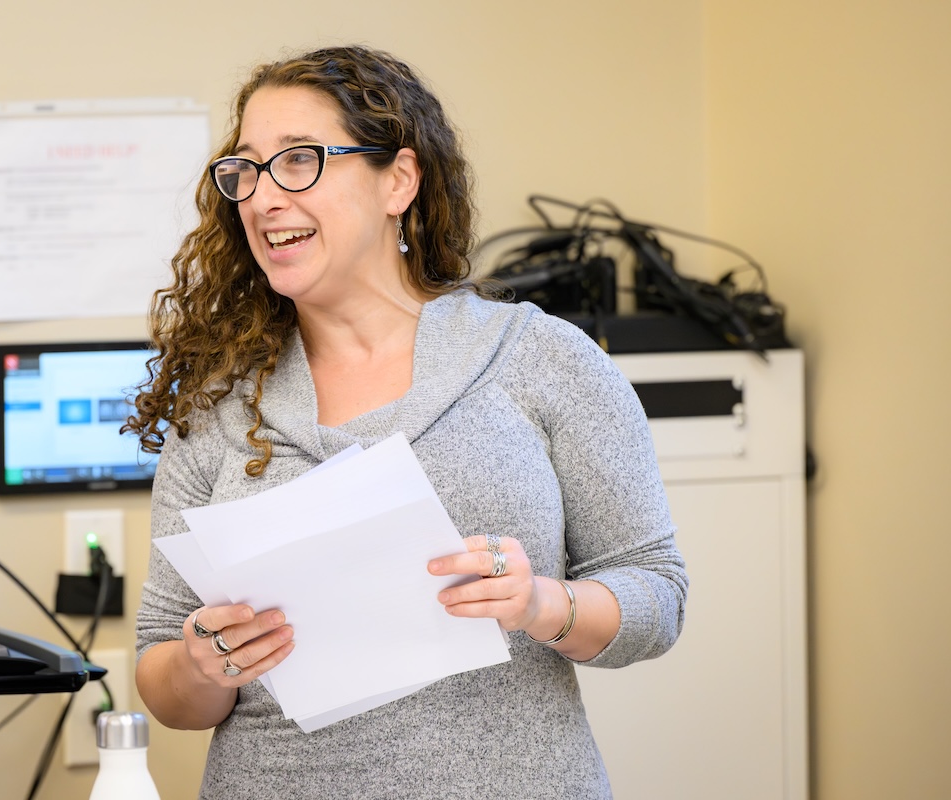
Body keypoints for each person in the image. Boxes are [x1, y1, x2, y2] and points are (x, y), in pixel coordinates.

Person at [127, 44, 688, 800]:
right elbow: (163, 675)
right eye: (247, 170)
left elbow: (657, 593)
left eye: (299, 161)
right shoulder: (220, 404)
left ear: (398, 179)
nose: (261, 197)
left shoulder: (540, 359)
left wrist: (540, 604)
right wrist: (202, 663)